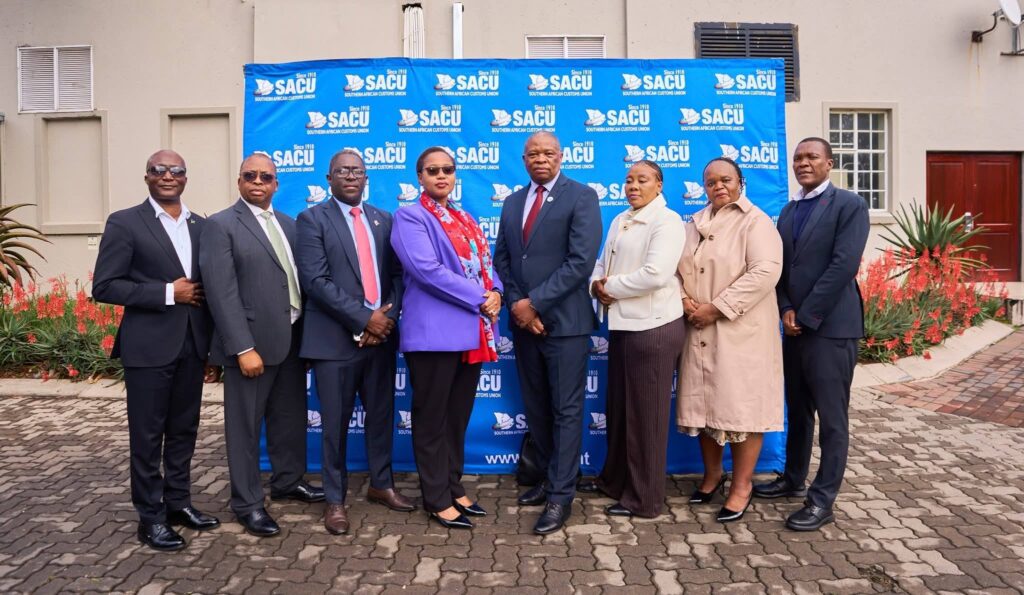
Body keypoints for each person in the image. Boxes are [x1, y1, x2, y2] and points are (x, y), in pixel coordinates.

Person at [92, 150, 219, 551]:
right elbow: (105, 287)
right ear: (147, 176)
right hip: (147, 348)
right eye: (159, 170)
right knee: (147, 436)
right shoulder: (125, 222)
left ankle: (178, 503)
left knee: (184, 429)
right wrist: (168, 292)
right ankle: (150, 516)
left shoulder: (202, 226)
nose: (168, 175)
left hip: (192, 345)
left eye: (176, 170)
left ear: (186, 177)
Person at [199, 153, 325, 538]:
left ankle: (287, 481)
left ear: (276, 184)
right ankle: (248, 504)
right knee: (245, 429)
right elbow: (221, 293)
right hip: (251, 347)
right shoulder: (220, 226)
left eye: (266, 177)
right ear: (239, 182)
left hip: (291, 341)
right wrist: (241, 347)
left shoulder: (289, 224)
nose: (258, 182)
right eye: (250, 176)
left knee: (288, 420)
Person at [752, 137, 869, 531]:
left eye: (811, 157)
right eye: (798, 157)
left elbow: (843, 265)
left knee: (832, 419)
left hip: (831, 328)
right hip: (794, 326)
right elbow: (779, 268)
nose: (803, 163)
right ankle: (792, 479)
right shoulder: (788, 211)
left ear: (829, 163)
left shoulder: (848, 205)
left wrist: (806, 314)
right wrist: (785, 309)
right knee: (798, 410)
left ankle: (823, 500)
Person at [295, 149, 414, 536]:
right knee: (335, 425)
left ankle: (382, 484)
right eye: (342, 171)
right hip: (335, 343)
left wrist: (386, 319)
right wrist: (365, 319)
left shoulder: (383, 219)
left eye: (357, 171)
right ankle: (334, 499)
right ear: (329, 178)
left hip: (380, 341)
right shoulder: (311, 219)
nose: (351, 176)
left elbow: (397, 275)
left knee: (380, 417)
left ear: (366, 179)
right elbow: (316, 281)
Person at [493, 131, 602, 534]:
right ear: (524, 159)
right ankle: (546, 479)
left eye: (548, 153)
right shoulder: (513, 201)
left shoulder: (582, 196)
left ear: (561, 156)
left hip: (565, 324)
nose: (541, 159)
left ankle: (560, 496)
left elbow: (580, 261)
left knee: (566, 410)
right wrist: (520, 307)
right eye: (533, 153)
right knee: (536, 407)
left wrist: (533, 303)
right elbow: (503, 259)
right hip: (525, 325)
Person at [390, 147, 503, 530]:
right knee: (432, 419)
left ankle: (453, 485)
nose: (441, 175)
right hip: (434, 336)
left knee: (456, 418)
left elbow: (487, 268)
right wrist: (481, 297)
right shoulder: (411, 216)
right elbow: (427, 270)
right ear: (419, 177)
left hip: (471, 332)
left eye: (448, 169)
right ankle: (435, 496)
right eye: (432, 170)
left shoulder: (466, 218)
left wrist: (497, 292)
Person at [676, 157, 784, 523]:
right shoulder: (694, 223)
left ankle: (741, 486)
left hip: (740, 332)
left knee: (741, 411)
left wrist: (717, 307)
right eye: (710, 182)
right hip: (698, 328)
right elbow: (675, 269)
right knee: (703, 409)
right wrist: (685, 300)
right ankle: (711, 476)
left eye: (726, 179)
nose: (718, 186)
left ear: (740, 182)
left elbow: (766, 271)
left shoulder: (756, 222)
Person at [588, 160, 686, 518]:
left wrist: (609, 288)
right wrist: (597, 285)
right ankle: (614, 482)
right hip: (623, 325)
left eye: (642, 179)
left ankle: (645, 500)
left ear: (658, 185)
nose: (633, 185)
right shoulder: (619, 218)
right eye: (628, 179)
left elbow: (657, 274)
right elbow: (602, 264)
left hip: (654, 327)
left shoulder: (668, 221)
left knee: (647, 417)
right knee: (619, 409)